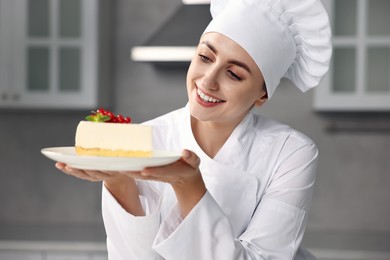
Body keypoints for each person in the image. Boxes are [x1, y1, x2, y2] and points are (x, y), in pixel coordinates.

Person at [56, 0, 332, 259]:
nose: (208, 81)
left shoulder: (291, 152)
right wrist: (119, 182)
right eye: (205, 57)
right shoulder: (149, 138)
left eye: (234, 74)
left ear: (261, 95)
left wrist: (189, 186)